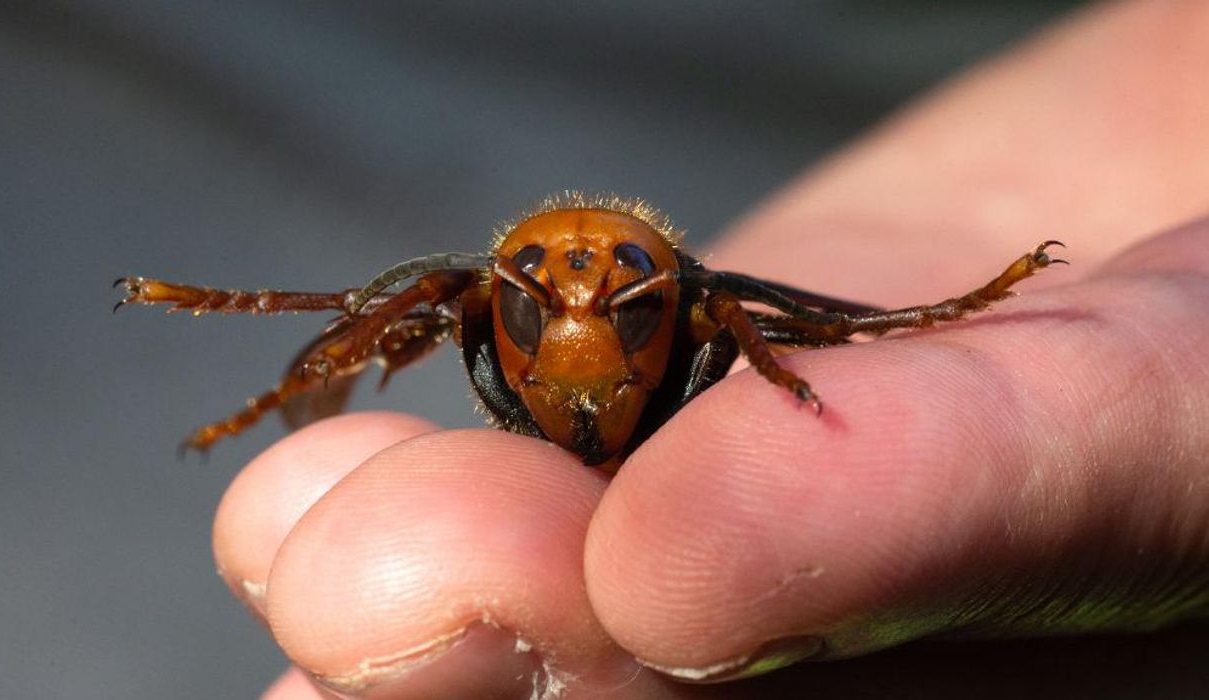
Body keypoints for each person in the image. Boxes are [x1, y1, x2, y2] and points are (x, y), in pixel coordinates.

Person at [213, 1, 1209, 697]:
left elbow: (846, 320)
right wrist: (292, 359)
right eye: (538, 301)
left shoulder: (704, 307)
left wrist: (889, 328)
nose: (578, 330)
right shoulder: (470, 300)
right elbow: (399, 304)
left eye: (623, 305)